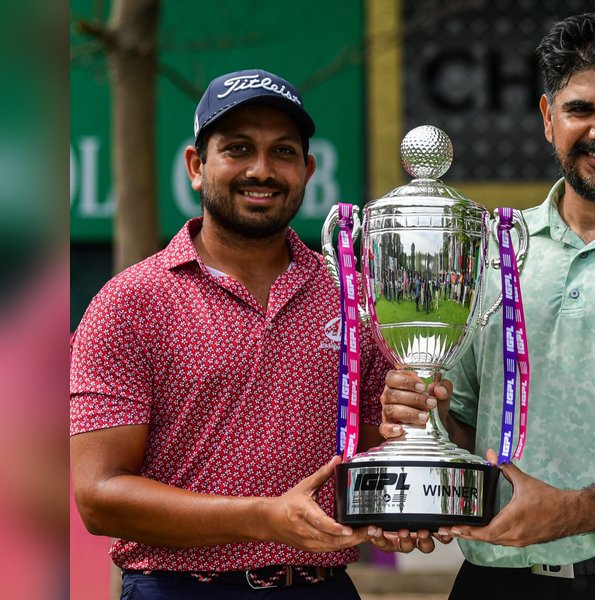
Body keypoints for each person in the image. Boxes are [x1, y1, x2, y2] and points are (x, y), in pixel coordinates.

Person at [380, 11, 595, 600]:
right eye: (580, 110)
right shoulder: (492, 250)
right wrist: (420, 416)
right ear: (547, 118)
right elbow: (463, 425)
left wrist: (574, 511)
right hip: (492, 582)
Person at [70, 68, 397, 599]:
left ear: (308, 169)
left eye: (283, 152)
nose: (262, 170)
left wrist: (415, 416)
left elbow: (383, 450)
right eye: (239, 149)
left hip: (321, 587)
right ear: (197, 167)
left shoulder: (351, 295)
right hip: (178, 590)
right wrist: (265, 519)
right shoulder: (130, 302)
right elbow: (98, 495)